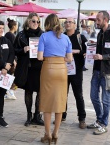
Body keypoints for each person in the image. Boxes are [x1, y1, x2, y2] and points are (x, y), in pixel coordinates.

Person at [37, 14, 72, 144]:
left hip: (48, 68)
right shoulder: (66, 38)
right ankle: (56, 133)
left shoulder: (44, 36)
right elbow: (69, 59)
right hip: (62, 71)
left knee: (47, 104)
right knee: (60, 103)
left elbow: (40, 57)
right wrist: (59, 59)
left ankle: (47, 134)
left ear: (47, 24)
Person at [87, 11, 110, 135]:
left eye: (98, 19)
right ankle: (99, 119)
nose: (96, 22)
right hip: (96, 71)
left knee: (105, 100)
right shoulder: (100, 34)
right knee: (93, 96)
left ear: (105, 20)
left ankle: (104, 124)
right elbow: (98, 51)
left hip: (108, 72)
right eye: (96, 20)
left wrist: (103, 57)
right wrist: (91, 53)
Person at [13, 13, 44, 127]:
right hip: (27, 67)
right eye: (34, 21)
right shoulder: (21, 35)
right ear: (28, 22)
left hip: (40, 67)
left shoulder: (43, 35)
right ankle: (29, 116)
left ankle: (37, 115)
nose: (36, 23)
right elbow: (14, 50)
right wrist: (23, 49)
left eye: (38, 21)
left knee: (40, 92)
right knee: (29, 91)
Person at [62, 17, 87, 129]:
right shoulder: (61, 37)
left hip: (76, 71)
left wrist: (77, 51)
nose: (67, 24)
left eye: (70, 22)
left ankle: (82, 118)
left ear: (74, 24)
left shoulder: (80, 37)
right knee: (62, 94)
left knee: (78, 95)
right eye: (66, 22)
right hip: (63, 69)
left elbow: (88, 51)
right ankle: (62, 115)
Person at [4, 18, 18, 100]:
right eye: (16, 26)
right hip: (11, 58)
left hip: (9, 58)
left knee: (9, 74)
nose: (17, 27)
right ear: (13, 26)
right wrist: (13, 60)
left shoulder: (7, 34)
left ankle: (7, 90)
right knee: (9, 74)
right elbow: (11, 48)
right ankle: (7, 91)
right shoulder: (11, 35)